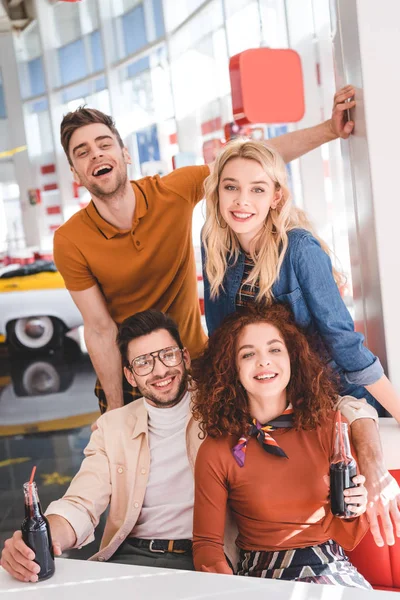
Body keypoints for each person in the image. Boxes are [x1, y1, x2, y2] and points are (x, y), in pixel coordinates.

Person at [0, 310, 381, 583]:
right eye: (144, 363)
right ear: (130, 375)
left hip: (204, 560)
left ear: (183, 357)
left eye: (167, 355)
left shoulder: (222, 409)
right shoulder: (112, 428)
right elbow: (81, 504)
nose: (160, 371)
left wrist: (367, 450)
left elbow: (331, 406)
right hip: (130, 555)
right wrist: (45, 539)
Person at [53, 86, 356, 414]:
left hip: (194, 365)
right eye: (82, 152)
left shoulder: (172, 191)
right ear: (75, 173)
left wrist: (329, 130)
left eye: (104, 144)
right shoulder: (70, 240)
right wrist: (114, 408)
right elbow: (99, 329)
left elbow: (251, 161)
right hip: (132, 376)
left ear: (125, 153)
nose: (96, 154)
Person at [201, 137, 400, 546]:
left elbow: (346, 346)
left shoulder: (300, 250)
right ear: (217, 192)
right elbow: (222, 347)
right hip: (261, 401)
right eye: (231, 186)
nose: (242, 200)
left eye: (257, 188)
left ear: (276, 197)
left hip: (323, 395)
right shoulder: (217, 252)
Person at [191, 304, 371, 588]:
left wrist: (356, 507)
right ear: (231, 369)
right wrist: (225, 587)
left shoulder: (330, 427)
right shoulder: (216, 449)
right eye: (248, 354)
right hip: (262, 575)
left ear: (292, 359)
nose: (264, 362)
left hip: (332, 568)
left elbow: (349, 536)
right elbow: (206, 545)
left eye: (275, 350)